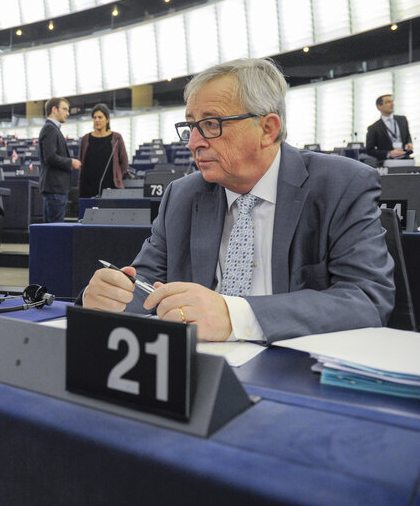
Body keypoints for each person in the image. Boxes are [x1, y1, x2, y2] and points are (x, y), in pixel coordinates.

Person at [82, 58, 394, 344]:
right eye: (190, 125)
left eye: (210, 124)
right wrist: (110, 297)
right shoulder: (182, 195)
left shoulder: (342, 185)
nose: (193, 142)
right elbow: (146, 283)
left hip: (296, 371)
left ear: (267, 129)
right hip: (198, 369)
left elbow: (366, 300)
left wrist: (235, 316)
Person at [38, 97, 81, 222]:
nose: (67, 113)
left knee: (50, 229)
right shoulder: (50, 129)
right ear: (54, 109)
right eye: (64, 109)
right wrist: (71, 161)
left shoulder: (52, 129)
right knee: (54, 230)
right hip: (55, 187)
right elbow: (50, 157)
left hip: (55, 188)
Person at [78, 103, 129, 198]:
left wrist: (117, 176)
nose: (97, 120)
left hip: (111, 185)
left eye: (100, 117)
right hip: (88, 186)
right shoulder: (86, 138)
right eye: (94, 117)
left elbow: (124, 163)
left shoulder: (116, 137)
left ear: (107, 120)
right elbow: (82, 161)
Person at [365, 94, 413, 163]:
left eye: (392, 101)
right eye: (388, 102)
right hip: (386, 163)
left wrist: (409, 144)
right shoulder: (373, 128)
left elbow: (408, 137)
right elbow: (369, 150)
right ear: (379, 106)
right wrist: (389, 153)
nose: (392, 104)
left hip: (405, 159)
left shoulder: (403, 120)